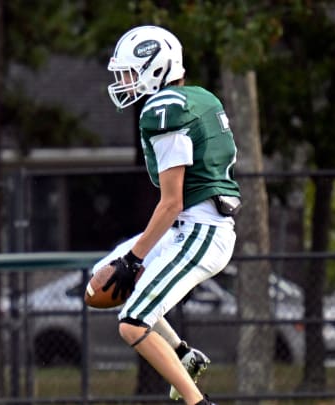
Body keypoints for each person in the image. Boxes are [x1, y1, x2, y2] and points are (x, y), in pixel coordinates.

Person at [100, 25, 242, 405]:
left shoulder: (164, 109)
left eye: (130, 72)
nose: (125, 82)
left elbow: (171, 202)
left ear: (155, 68)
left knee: (131, 324)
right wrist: (129, 261)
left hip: (201, 230)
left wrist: (135, 258)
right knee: (100, 284)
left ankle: (199, 403)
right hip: (189, 224)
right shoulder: (199, 97)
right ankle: (183, 355)